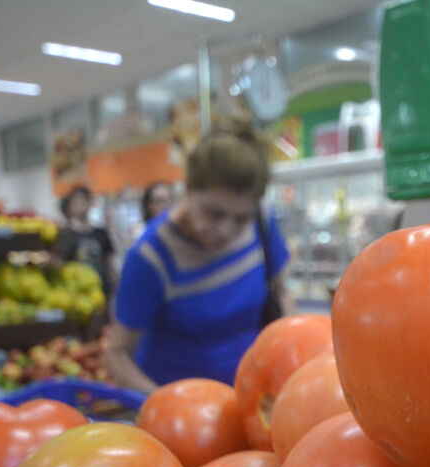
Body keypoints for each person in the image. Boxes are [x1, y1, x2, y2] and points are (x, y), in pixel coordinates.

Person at [104, 118, 293, 394]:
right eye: (214, 213)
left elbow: (283, 294)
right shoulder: (151, 258)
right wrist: (165, 405)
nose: (226, 230)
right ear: (188, 189)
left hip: (253, 396)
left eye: (241, 219)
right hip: (183, 412)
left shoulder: (263, 221)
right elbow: (116, 356)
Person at [54, 186, 115, 292]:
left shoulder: (101, 233)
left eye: (83, 200)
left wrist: (113, 283)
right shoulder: (64, 235)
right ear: (70, 206)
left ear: (90, 203)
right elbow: (60, 263)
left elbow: (109, 262)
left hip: (101, 290)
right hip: (76, 292)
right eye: (76, 201)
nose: (80, 204)